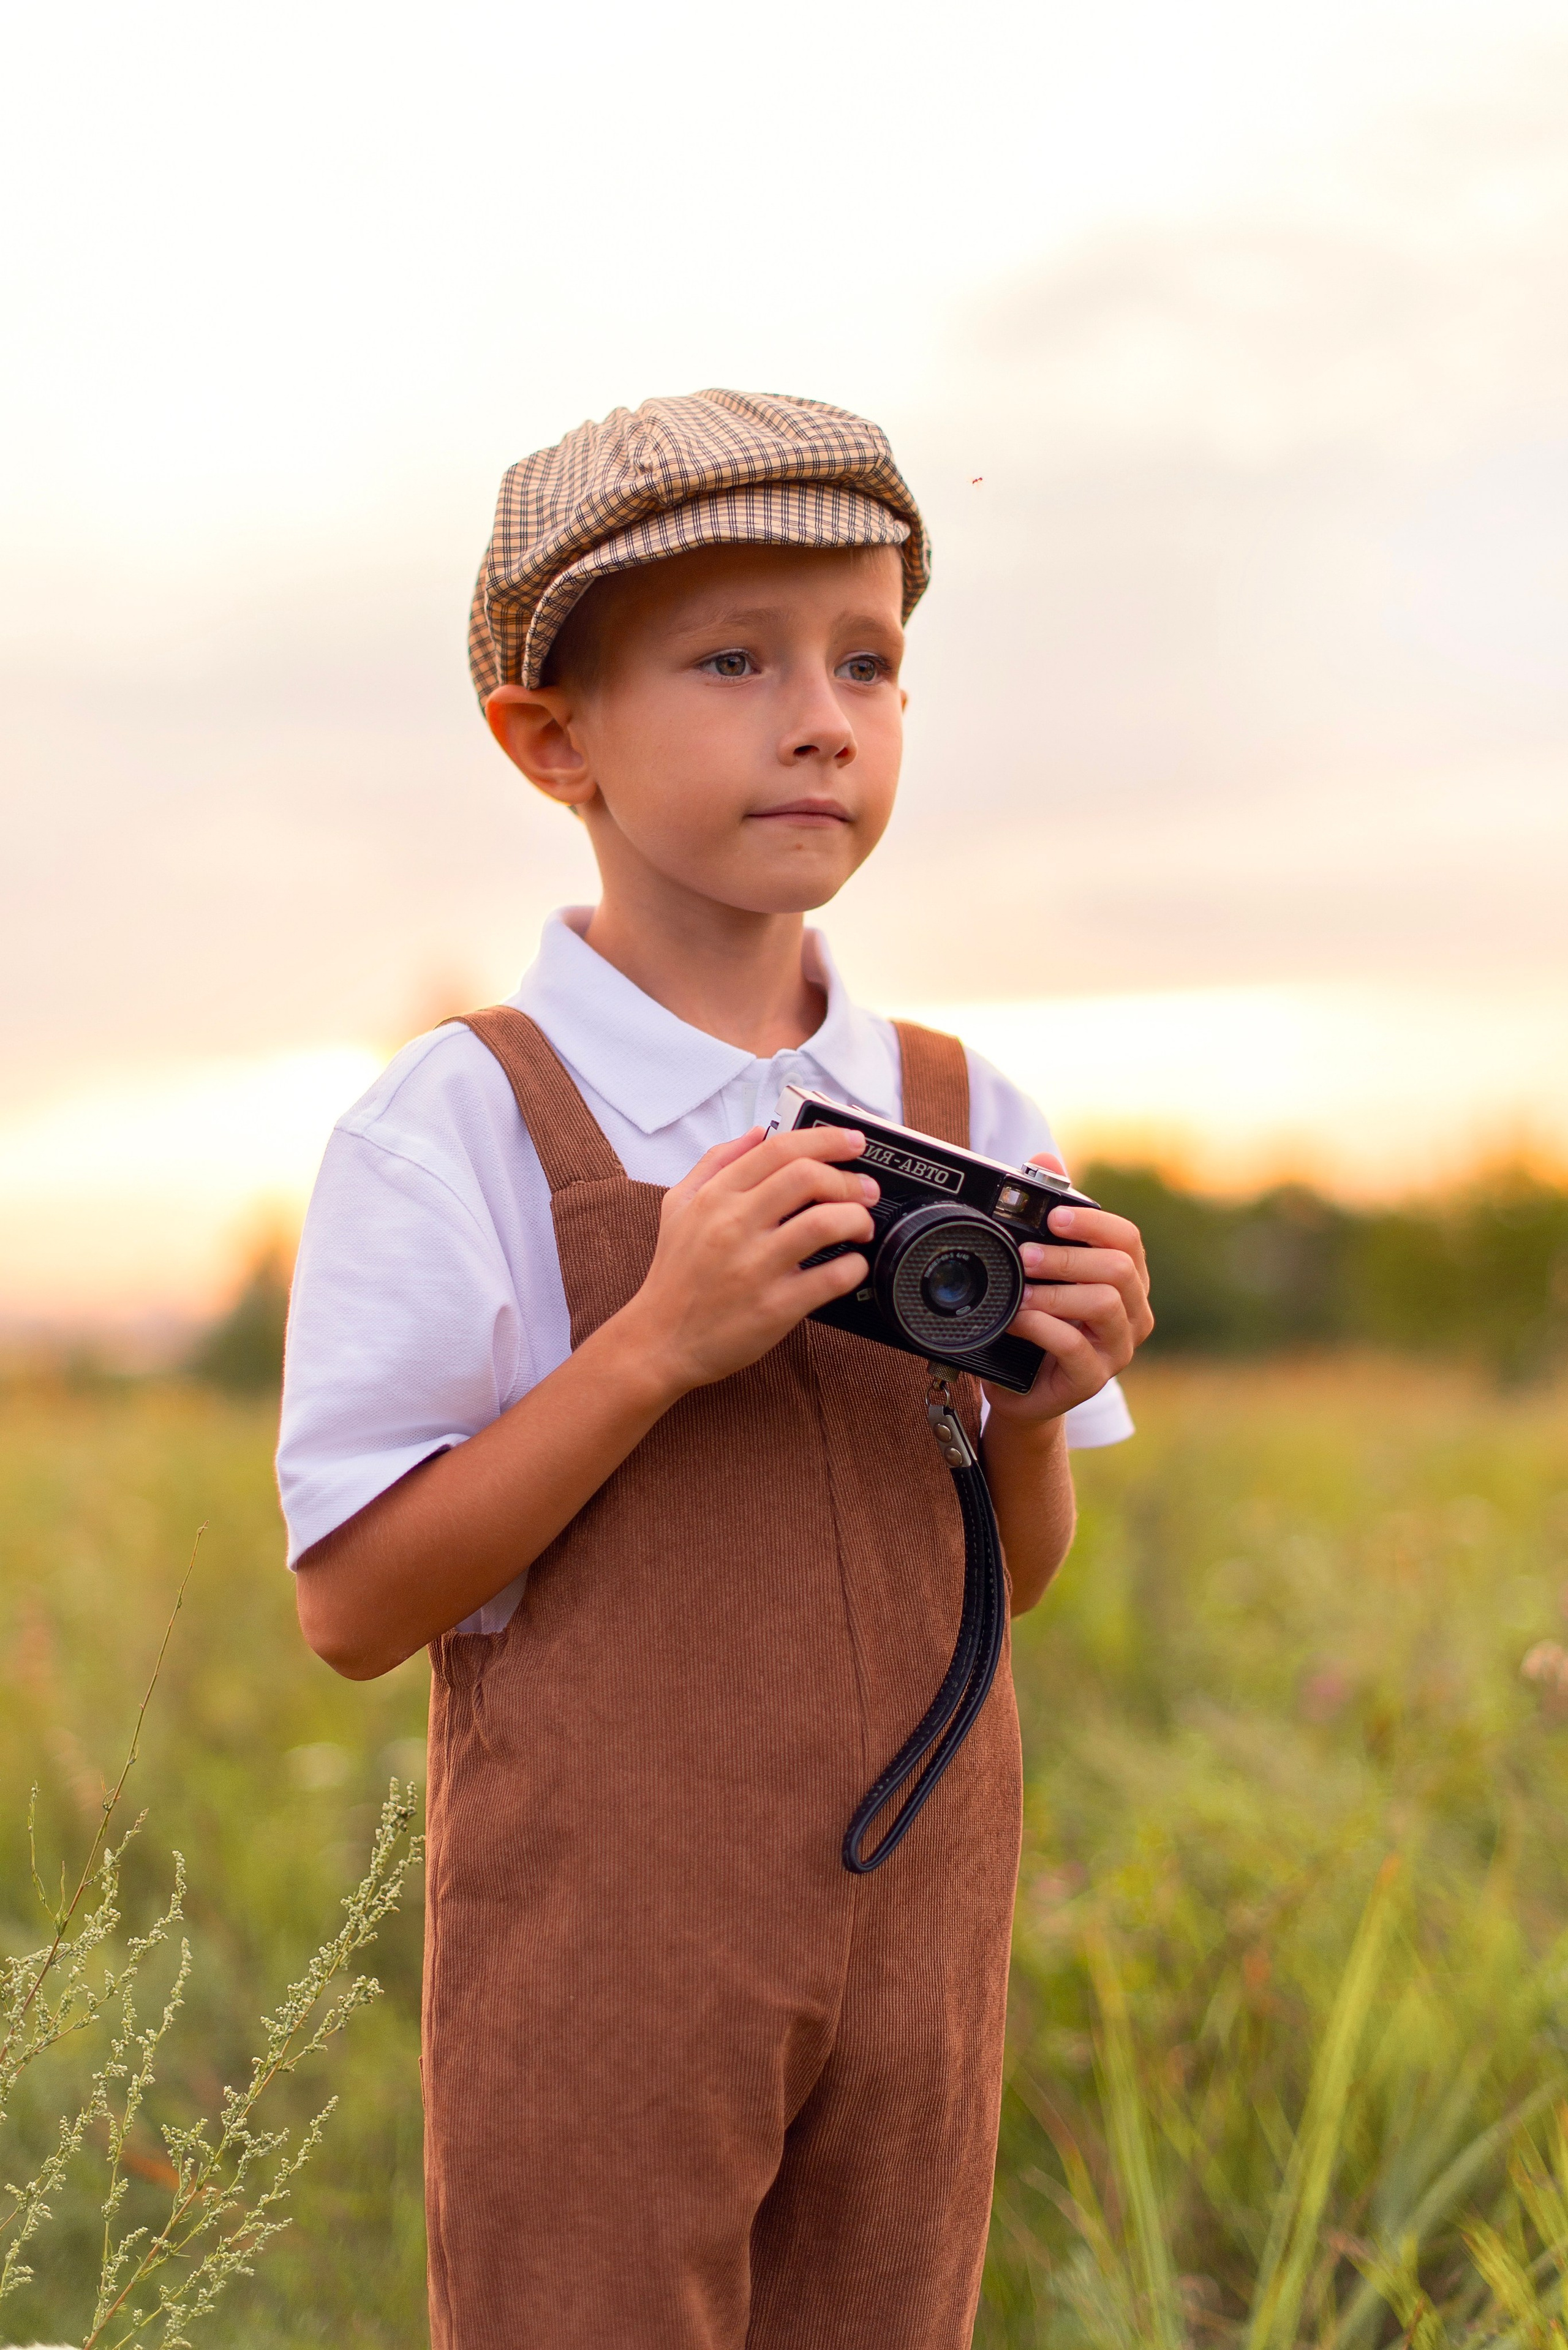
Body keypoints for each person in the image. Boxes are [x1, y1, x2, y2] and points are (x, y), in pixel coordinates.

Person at [277, 389, 1153, 2349]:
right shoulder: (465, 1122)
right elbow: (350, 1607)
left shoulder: (966, 1106)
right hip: (609, 1949)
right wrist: (656, 1347)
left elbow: (1010, 1579)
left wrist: (1029, 1409)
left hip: (922, 1923)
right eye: (734, 659)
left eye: (870, 661)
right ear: (549, 736)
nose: (821, 716)